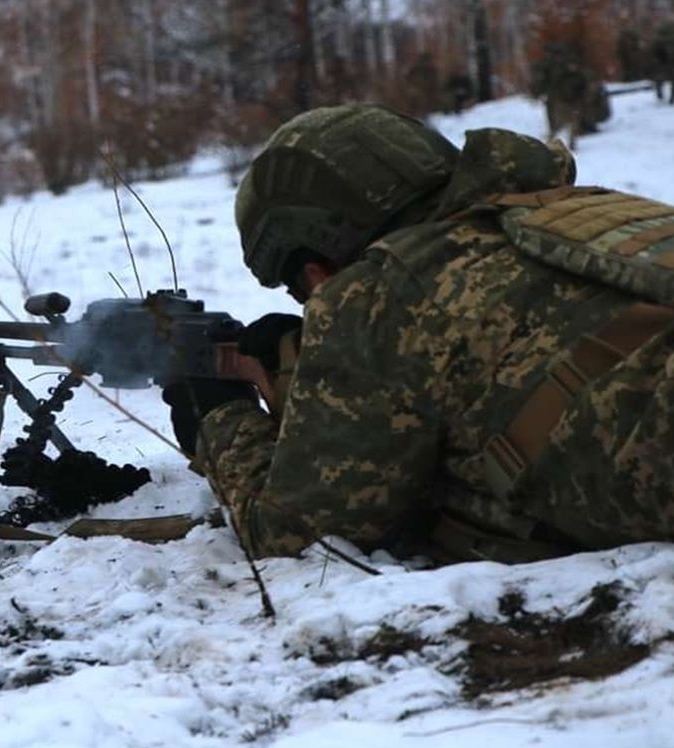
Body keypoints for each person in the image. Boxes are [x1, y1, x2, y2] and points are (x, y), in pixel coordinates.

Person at [163, 105, 674, 564]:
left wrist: (218, 417)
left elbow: (296, 534)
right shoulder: (577, 209)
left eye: (302, 291)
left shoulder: (379, 292)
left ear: (318, 270)